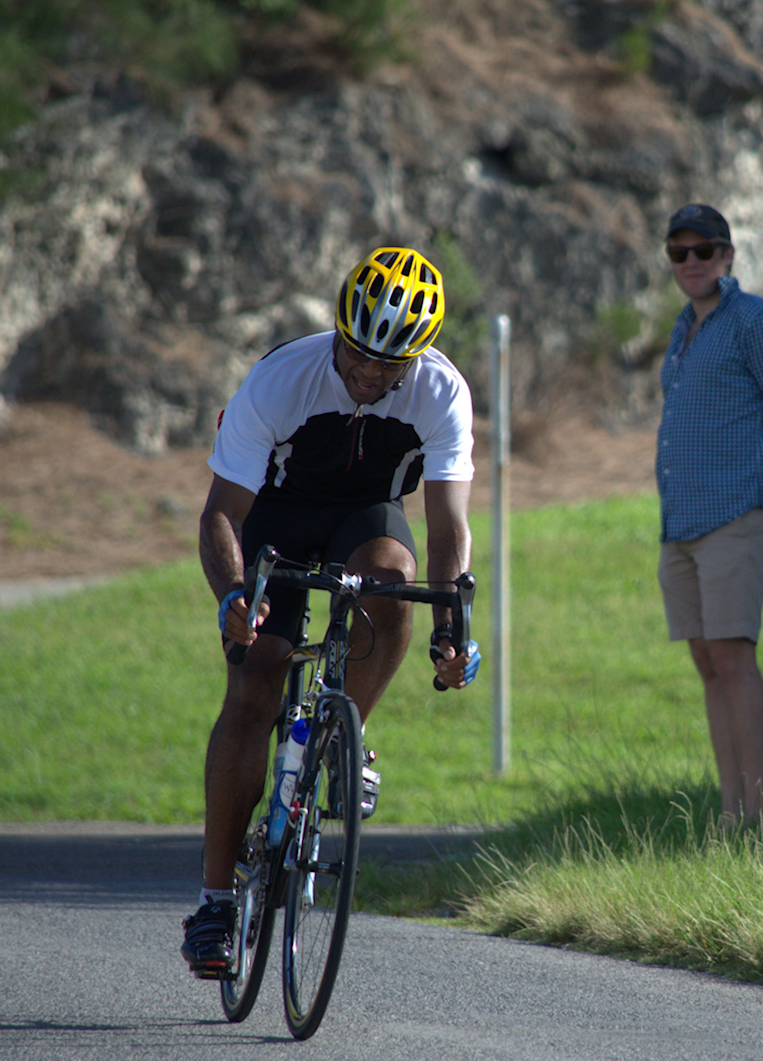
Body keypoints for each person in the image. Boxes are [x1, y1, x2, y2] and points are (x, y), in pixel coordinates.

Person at [181, 246, 480, 979]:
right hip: (274, 516)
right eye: (359, 357)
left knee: (393, 577)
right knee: (255, 684)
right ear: (338, 332)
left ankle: (348, 736)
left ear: (422, 356)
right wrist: (234, 596)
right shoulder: (282, 378)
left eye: (392, 365)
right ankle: (216, 900)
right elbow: (221, 514)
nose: (372, 376)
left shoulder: (441, 391)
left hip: (366, 515)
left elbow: (447, 529)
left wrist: (452, 627)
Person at [656, 203, 763, 827]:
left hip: (734, 514)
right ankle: (730, 814)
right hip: (681, 524)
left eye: (704, 250)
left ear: (728, 256)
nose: (691, 262)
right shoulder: (682, 326)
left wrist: (755, 465)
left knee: (732, 657)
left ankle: (758, 816)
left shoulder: (756, 321)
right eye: (679, 252)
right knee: (706, 661)